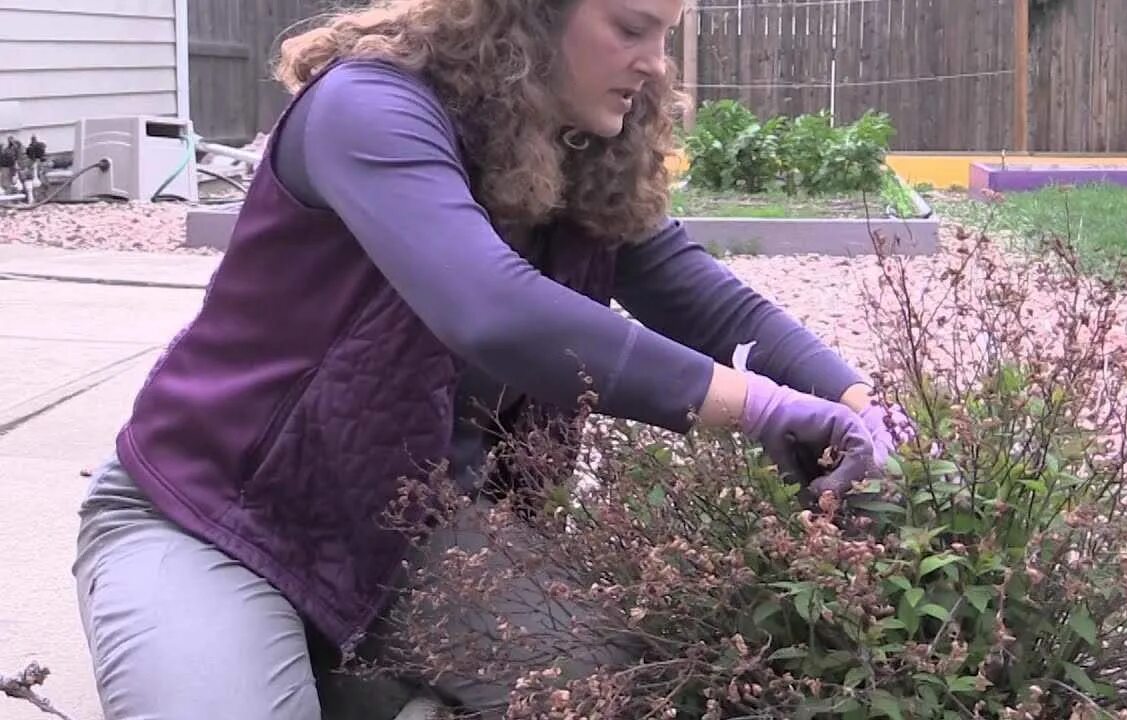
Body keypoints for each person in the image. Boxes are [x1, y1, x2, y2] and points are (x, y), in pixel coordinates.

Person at [70, 0, 904, 717]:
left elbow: (707, 303)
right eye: (630, 29)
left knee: (613, 688)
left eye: (667, 35)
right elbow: (491, 308)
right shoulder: (369, 109)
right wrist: (757, 408)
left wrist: (857, 400)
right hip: (214, 518)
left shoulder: (586, 154)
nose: (654, 65)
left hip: (405, 538)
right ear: (532, 16)